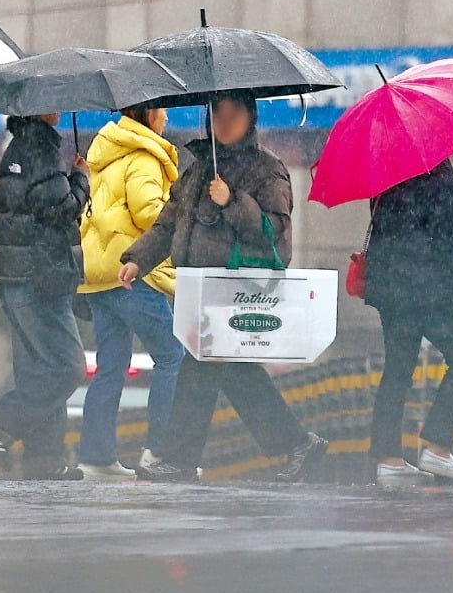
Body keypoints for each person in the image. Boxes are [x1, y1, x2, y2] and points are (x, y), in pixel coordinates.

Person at [120, 90, 328, 483]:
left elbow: (275, 234)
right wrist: (137, 258)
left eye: (235, 114)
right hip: (204, 289)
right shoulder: (199, 170)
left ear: (251, 118)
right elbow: (169, 223)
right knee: (235, 374)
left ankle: (179, 459)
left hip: (238, 289)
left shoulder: (268, 170)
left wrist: (233, 200)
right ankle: (296, 443)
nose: (225, 122)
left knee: (200, 369)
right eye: (218, 114)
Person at [362, 159, 453, 490]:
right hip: (423, 287)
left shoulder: (390, 169)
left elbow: (417, 228)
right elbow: (445, 241)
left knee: (397, 369)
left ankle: (388, 459)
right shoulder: (433, 170)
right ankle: (438, 447)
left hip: (390, 284)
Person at [76, 105, 186, 481]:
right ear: (147, 114)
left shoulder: (106, 154)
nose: (167, 117)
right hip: (132, 273)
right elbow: (150, 215)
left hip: (98, 276)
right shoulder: (143, 156)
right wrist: (182, 213)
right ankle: (160, 451)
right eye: (162, 110)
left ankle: (96, 456)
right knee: (173, 356)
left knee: (110, 366)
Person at [0, 113, 89, 480]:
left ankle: (43, 461)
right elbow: (61, 208)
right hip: (40, 275)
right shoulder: (40, 149)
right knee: (67, 367)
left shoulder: (18, 148)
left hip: (21, 274)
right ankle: (1, 423)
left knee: (38, 369)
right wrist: (81, 179)